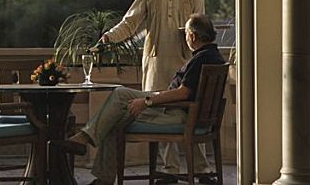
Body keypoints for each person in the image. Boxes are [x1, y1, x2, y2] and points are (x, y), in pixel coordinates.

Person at [59, 13, 225, 185]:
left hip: (178, 113)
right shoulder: (213, 57)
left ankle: (91, 152)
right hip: (182, 111)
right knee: (119, 98)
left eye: (185, 35)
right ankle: (87, 143)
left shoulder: (200, 59)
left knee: (116, 109)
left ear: (192, 35)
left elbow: (182, 93)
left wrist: (147, 101)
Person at [99, 0, 205, 178]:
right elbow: (130, 23)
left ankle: (201, 169)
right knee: (160, 113)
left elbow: (200, 31)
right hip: (156, 62)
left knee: (189, 114)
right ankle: (169, 171)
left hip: (184, 62)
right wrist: (109, 37)